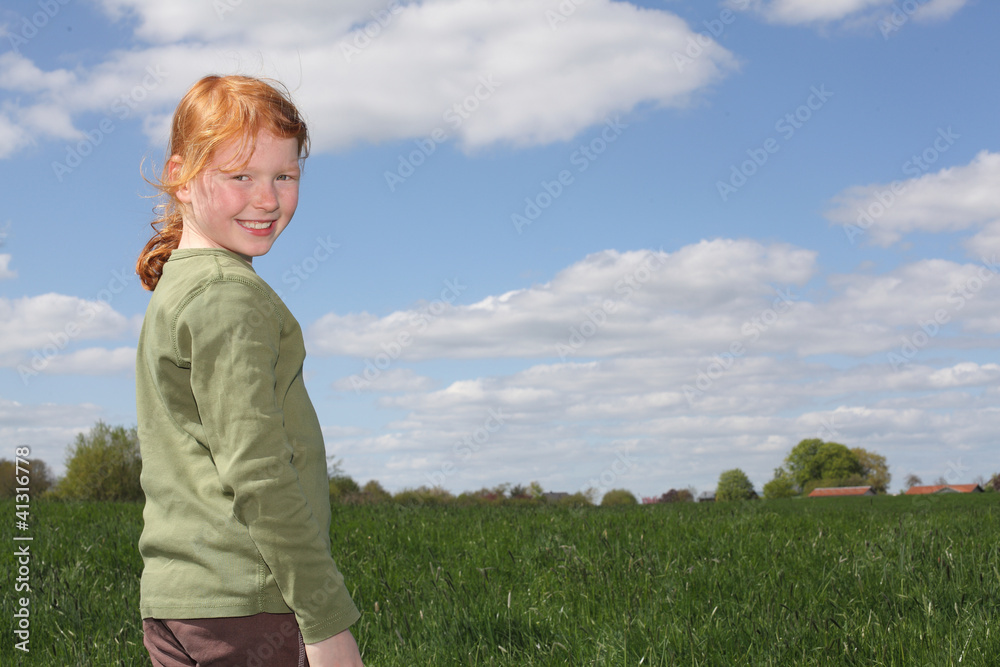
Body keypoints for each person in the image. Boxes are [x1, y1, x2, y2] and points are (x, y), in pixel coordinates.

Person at [134, 74, 364, 667]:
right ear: (182, 176)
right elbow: (259, 471)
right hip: (248, 605)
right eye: (241, 176)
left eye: (284, 176)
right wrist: (326, 620)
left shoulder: (179, 287)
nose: (267, 198)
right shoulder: (225, 297)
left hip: (177, 602)